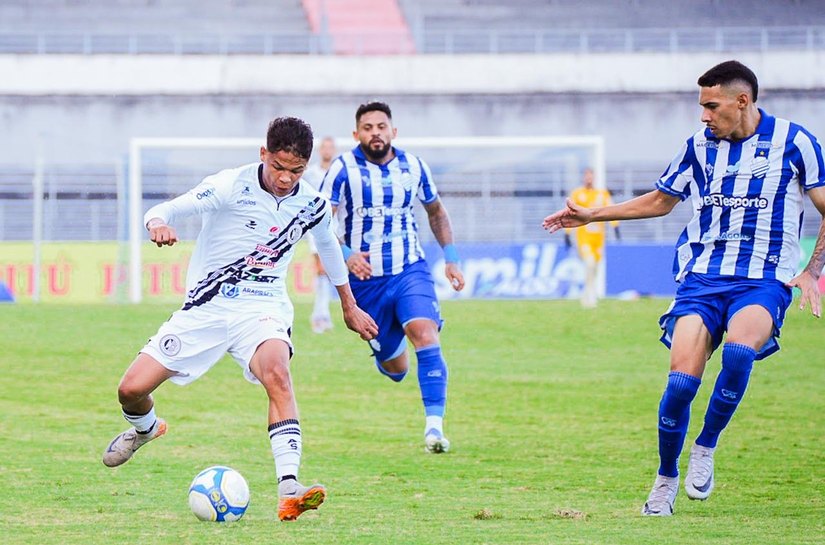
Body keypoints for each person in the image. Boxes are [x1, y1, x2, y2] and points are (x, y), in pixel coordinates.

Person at [543, 60, 825, 516]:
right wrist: (594, 215)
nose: (703, 116)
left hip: (763, 279)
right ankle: (666, 476)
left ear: (742, 100)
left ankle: (706, 445)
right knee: (679, 386)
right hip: (702, 278)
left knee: (738, 351)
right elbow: (661, 200)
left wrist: (812, 269)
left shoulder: (795, 142)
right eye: (701, 106)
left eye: (711, 106)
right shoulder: (698, 146)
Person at [101, 117, 378, 522]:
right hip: (207, 308)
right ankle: (146, 428)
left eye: (296, 171)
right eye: (279, 167)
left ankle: (289, 488)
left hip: (262, 309)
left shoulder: (312, 204)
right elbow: (168, 208)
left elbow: (328, 248)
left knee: (278, 374)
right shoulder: (231, 184)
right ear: (263, 154)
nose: (286, 179)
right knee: (130, 390)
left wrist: (348, 305)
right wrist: (158, 223)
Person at [321, 101, 465, 453]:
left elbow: (436, 211)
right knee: (396, 367)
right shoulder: (342, 170)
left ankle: (434, 430)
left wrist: (451, 258)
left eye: (381, 126)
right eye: (367, 128)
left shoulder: (414, 166)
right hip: (365, 282)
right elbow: (320, 220)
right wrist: (346, 255)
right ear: (357, 134)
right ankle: (389, 349)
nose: (375, 133)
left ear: (393, 131)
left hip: (409, 269)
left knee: (425, 332)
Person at [564, 167, 620, 308]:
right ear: (583, 178)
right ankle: (589, 295)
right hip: (584, 237)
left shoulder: (602, 193)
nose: (589, 178)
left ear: (594, 178)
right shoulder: (577, 194)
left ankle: (588, 293)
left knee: (594, 267)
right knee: (589, 263)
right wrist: (567, 233)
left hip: (599, 238)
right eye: (586, 176)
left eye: (591, 176)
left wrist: (616, 227)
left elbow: (611, 209)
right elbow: (569, 213)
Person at [302, 136, 338, 333]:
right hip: (316, 226)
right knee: (322, 270)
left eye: (330, 147)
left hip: (336, 227)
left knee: (332, 272)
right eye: (324, 147)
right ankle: (320, 316)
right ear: (319, 150)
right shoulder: (311, 173)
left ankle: (322, 315)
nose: (327, 151)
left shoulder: (338, 172)